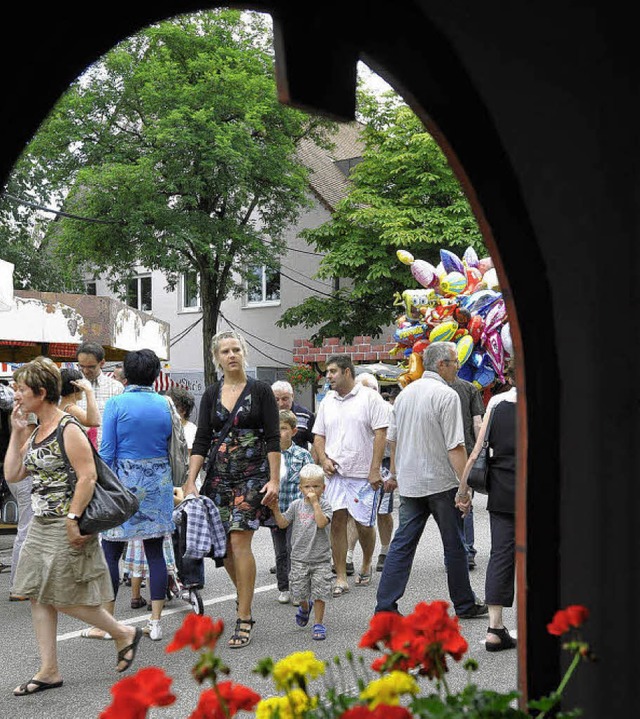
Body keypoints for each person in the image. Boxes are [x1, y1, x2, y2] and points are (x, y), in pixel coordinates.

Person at [4, 357, 142, 695]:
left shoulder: (68, 428)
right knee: (38, 595)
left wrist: (72, 520)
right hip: (40, 522)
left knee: (62, 597)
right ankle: (49, 670)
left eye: (21, 389)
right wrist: (17, 430)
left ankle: (122, 632)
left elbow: (88, 477)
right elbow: (13, 474)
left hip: (68, 523)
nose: (16, 395)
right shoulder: (36, 430)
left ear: (40, 392)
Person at [375, 342, 488, 619]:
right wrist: (465, 488)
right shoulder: (446, 395)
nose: (458, 367)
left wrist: (396, 473)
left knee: (402, 545)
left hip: (412, 483)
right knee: (454, 545)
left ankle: (385, 607)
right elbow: (455, 447)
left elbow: (393, 440)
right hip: (441, 482)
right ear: (441, 365)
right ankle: (464, 604)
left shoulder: (404, 394)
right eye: (454, 362)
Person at [183, 330, 280, 649]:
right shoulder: (211, 393)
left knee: (239, 540)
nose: (232, 355)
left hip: (252, 475)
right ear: (217, 358)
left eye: (236, 349)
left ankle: (244, 616)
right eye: (225, 351)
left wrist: (274, 479)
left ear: (244, 353)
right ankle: (245, 598)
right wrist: (190, 480)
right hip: (218, 477)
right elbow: (201, 440)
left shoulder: (261, 391)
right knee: (223, 548)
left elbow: (272, 438)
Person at [85, 349, 175, 642]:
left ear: (125, 372)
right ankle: (157, 622)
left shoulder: (116, 404)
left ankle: (108, 623)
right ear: (155, 374)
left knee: (111, 551)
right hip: (159, 481)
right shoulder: (165, 404)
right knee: (155, 552)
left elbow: (107, 451)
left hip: (123, 483)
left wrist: (98, 487)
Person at [312, 355, 389, 596]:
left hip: (363, 475)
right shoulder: (327, 402)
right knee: (337, 521)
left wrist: (375, 469)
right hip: (335, 474)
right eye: (327, 372)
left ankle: (366, 562)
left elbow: (380, 434)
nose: (328, 376)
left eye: (333, 371)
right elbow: (318, 436)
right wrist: (323, 460)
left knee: (364, 524)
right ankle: (341, 576)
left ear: (347, 372)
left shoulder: (369, 398)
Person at [460, 358, 517, 650]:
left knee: (501, 555)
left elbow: (476, 452)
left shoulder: (496, 404)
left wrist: (463, 490)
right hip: (540, 489)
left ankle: (495, 629)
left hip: (504, 490)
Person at [268, 464, 333, 640]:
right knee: (299, 592)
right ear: (300, 488)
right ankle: (305, 607)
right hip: (299, 559)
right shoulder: (296, 506)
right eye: (307, 486)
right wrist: (275, 509)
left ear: (323, 488)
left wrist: (315, 504)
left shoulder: (326, 506)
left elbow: (321, 523)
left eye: (316, 486)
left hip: (321, 559)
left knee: (320, 592)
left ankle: (318, 623)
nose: (311, 490)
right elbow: (283, 523)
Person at [345, 372, 395, 575]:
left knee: (383, 511)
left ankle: (384, 551)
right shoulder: (351, 410)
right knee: (354, 512)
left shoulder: (389, 410)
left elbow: (394, 443)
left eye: (369, 389)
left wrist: (393, 471)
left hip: (383, 464)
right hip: (358, 465)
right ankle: (348, 555)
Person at [272, 409, 313, 604]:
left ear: (294, 431)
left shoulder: (302, 455)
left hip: (296, 511)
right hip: (276, 509)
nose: (279, 432)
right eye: (276, 428)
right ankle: (284, 587)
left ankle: (299, 588)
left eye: (283, 428)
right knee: (280, 551)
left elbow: (311, 479)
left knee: (294, 549)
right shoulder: (271, 454)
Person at [1, 381, 35, 601]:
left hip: (13, 470)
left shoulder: (14, 404)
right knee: (26, 529)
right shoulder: (26, 409)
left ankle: (22, 584)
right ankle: (18, 586)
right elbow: (28, 445)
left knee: (26, 528)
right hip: (24, 472)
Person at [449, 374, 485, 570]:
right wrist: (482, 452)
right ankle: (468, 550)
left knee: (445, 503)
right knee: (464, 500)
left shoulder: (431, 387)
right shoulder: (469, 388)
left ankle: (452, 553)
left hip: (441, 452)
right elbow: (478, 423)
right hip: (466, 449)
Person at [75, 342, 124, 448]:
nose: (85, 371)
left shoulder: (116, 388)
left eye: (91, 367)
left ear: (102, 363)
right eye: (81, 366)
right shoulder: (73, 387)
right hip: (78, 450)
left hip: (106, 452)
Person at [271, 380, 316, 455]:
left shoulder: (305, 416)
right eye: (276, 400)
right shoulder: (265, 415)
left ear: (292, 396)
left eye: (285, 399)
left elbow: (316, 442)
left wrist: (310, 463)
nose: (281, 404)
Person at [59, 368, 101, 446]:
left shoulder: (60, 408)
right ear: (76, 387)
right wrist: (89, 391)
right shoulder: (71, 409)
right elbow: (95, 421)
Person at [167, 385, 197, 451]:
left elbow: (188, 455)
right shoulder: (166, 427)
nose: (168, 410)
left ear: (183, 410)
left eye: (172, 407)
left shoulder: (191, 430)